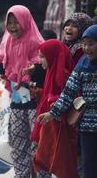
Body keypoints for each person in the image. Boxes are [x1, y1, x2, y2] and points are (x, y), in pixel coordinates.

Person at [0, 5, 44, 178]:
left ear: (25, 21)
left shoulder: (35, 41)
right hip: (17, 98)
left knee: (38, 143)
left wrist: (34, 69)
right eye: (10, 22)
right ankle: (21, 175)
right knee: (17, 140)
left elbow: (45, 68)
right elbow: (3, 66)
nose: (13, 26)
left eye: (17, 22)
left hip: (35, 100)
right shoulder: (7, 41)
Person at [37, 25, 97, 178]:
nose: (87, 48)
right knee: (89, 167)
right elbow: (68, 92)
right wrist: (52, 113)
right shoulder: (82, 65)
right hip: (88, 127)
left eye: (91, 43)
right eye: (84, 43)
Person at [31, 39, 78, 178]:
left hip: (58, 129)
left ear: (53, 56)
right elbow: (47, 95)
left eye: (42, 56)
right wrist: (38, 93)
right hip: (49, 126)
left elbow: (70, 98)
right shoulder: (51, 72)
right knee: (44, 162)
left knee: (55, 163)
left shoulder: (63, 75)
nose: (40, 61)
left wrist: (53, 100)